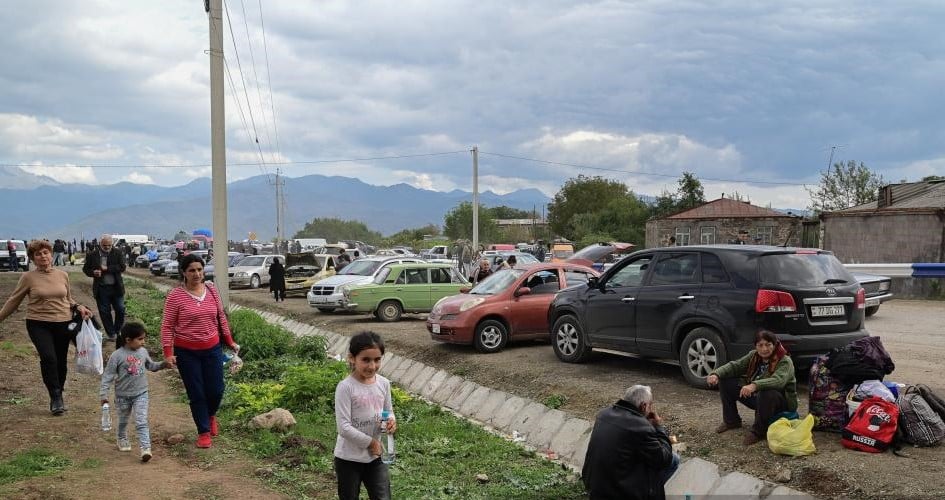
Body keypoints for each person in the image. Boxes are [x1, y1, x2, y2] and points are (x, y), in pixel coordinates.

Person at [0, 240, 93, 415]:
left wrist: (78, 306)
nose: (43, 256)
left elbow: (67, 299)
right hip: (38, 323)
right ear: (33, 259)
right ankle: (55, 396)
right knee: (48, 358)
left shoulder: (63, 275)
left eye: (46, 253)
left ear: (51, 254)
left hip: (63, 323)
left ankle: (60, 391)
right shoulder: (28, 277)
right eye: (38, 254)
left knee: (60, 361)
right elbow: (14, 300)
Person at [160, 254, 240, 449]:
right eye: (191, 271)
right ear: (183, 273)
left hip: (212, 349)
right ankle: (203, 431)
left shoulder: (211, 290)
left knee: (216, 389)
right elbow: (167, 326)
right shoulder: (176, 296)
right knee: (196, 392)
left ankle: (210, 414)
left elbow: (220, 317)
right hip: (187, 352)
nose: (196, 274)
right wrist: (168, 353)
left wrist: (229, 341)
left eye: (199, 270)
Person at [582, 385, 679, 499]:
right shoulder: (640, 427)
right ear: (643, 406)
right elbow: (664, 459)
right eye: (650, 405)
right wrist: (658, 428)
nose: (651, 410)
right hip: (618, 491)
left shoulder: (603, 414)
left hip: (594, 485)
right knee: (673, 460)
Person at [706, 329, 797, 446]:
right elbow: (735, 366)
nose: (764, 349)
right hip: (758, 398)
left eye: (768, 345)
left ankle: (758, 431)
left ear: (774, 345)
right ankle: (731, 420)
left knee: (767, 392)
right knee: (726, 380)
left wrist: (754, 385)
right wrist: (716, 374)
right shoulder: (753, 356)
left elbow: (779, 381)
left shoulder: (785, 361)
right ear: (756, 346)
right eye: (760, 345)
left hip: (779, 403)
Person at [334, 331, 396, 500]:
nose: (372, 366)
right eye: (366, 360)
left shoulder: (383, 384)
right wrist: (371, 443)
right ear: (352, 358)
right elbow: (344, 428)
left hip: (375, 458)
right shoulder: (346, 387)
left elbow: (388, 411)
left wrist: (391, 421)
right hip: (348, 459)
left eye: (377, 360)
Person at [100, 322, 168, 462]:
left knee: (141, 420)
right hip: (122, 396)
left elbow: (151, 366)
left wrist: (163, 364)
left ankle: (145, 448)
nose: (143, 342)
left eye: (144, 338)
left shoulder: (143, 352)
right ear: (128, 340)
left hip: (141, 393)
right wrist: (104, 395)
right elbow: (108, 376)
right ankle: (122, 438)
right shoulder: (117, 356)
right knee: (123, 420)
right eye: (140, 339)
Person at [82, 235, 127, 343]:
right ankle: (111, 334)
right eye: (104, 245)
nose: (107, 247)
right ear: (100, 244)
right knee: (105, 312)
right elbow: (86, 269)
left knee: (120, 309)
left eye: (109, 245)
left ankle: (117, 330)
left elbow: (122, 267)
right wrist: (93, 272)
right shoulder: (92, 255)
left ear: (112, 244)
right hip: (101, 288)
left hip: (116, 287)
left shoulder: (117, 252)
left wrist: (108, 269)